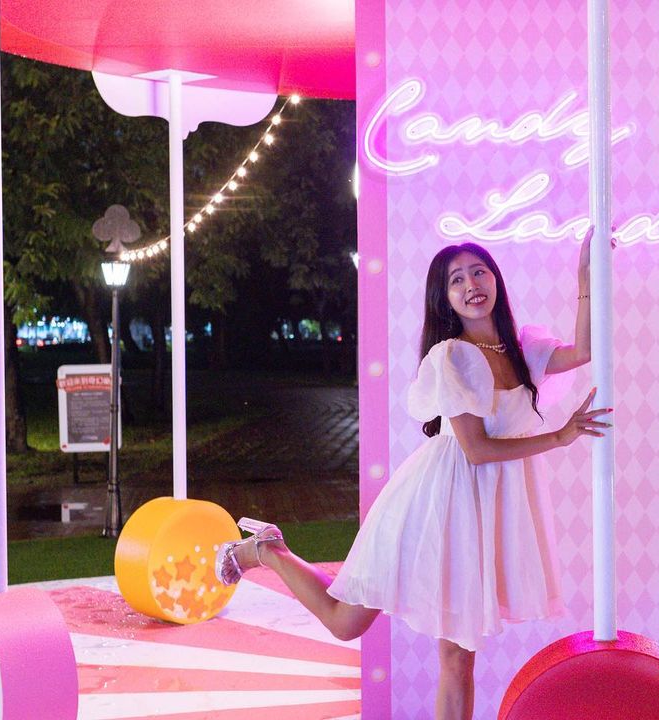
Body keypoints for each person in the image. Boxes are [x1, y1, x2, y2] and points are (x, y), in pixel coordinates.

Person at [216, 236, 610, 720]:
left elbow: (584, 350)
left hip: (486, 510)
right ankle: (268, 550)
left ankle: (268, 547)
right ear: (444, 298)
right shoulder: (453, 357)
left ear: (496, 279)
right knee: (346, 622)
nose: (471, 285)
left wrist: (586, 273)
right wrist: (560, 437)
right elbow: (477, 450)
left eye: (479, 271)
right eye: (456, 280)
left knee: (458, 655)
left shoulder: (523, 347)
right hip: (437, 505)